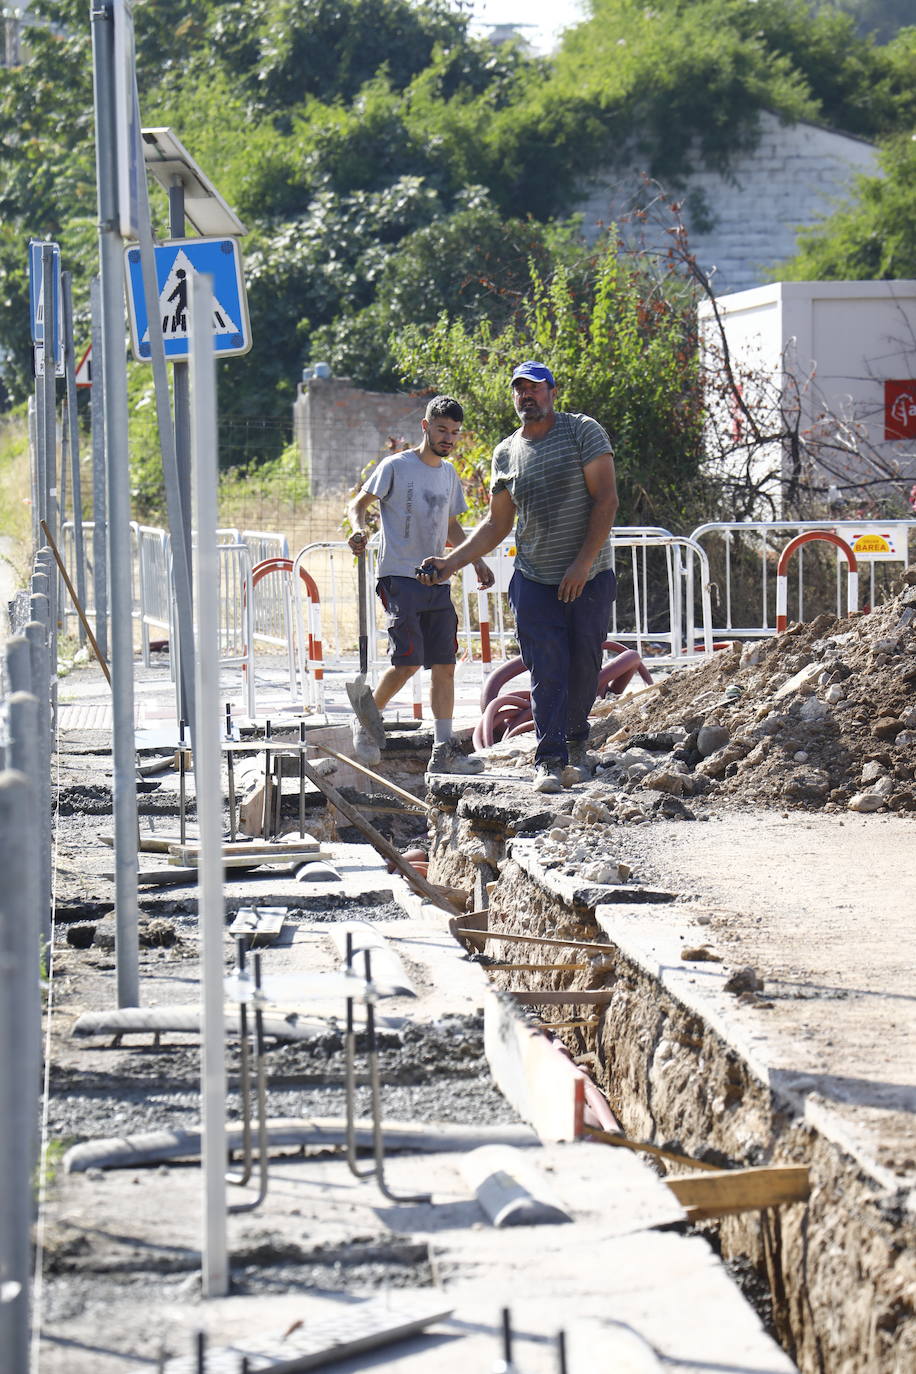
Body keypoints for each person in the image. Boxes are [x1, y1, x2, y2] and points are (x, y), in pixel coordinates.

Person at [417, 362, 618, 794]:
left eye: (535, 388)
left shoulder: (583, 431)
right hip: (535, 578)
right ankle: (549, 759)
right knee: (546, 668)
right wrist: (450, 563)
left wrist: (581, 564)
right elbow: (496, 524)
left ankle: (577, 741)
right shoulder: (506, 452)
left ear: (552, 392)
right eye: (519, 390)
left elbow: (606, 499)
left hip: (591, 574)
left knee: (584, 662)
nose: (526, 396)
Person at [346, 395, 494, 773]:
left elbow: (451, 526)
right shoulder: (396, 465)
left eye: (455, 433)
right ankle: (366, 719)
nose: (449, 438)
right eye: (442, 429)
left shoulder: (447, 474)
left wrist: (474, 558)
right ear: (425, 426)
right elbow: (358, 505)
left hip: (437, 578)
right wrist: (359, 530)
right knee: (408, 661)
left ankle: (443, 753)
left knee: (444, 665)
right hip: (399, 576)